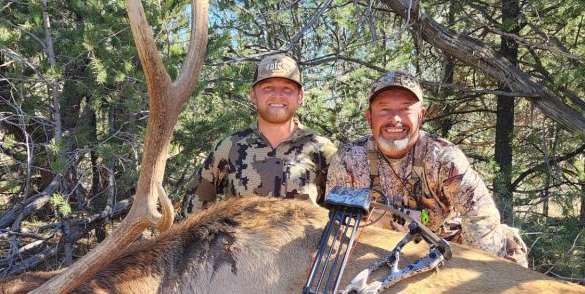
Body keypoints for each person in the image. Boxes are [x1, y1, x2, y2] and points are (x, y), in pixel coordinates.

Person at [326, 71, 528, 266]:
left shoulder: (444, 159)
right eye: (384, 109)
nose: (395, 118)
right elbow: (335, 226)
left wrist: (480, 275)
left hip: (444, 251)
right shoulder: (348, 161)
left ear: (421, 116)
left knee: (502, 250)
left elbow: (480, 220)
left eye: (406, 109)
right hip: (378, 251)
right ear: (369, 117)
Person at [182, 53, 337, 215]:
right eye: (267, 88)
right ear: (253, 95)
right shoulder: (229, 147)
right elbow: (192, 213)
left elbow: (343, 218)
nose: (278, 95)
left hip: (306, 241)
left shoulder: (322, 150)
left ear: (300, 96)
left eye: (287, 88)